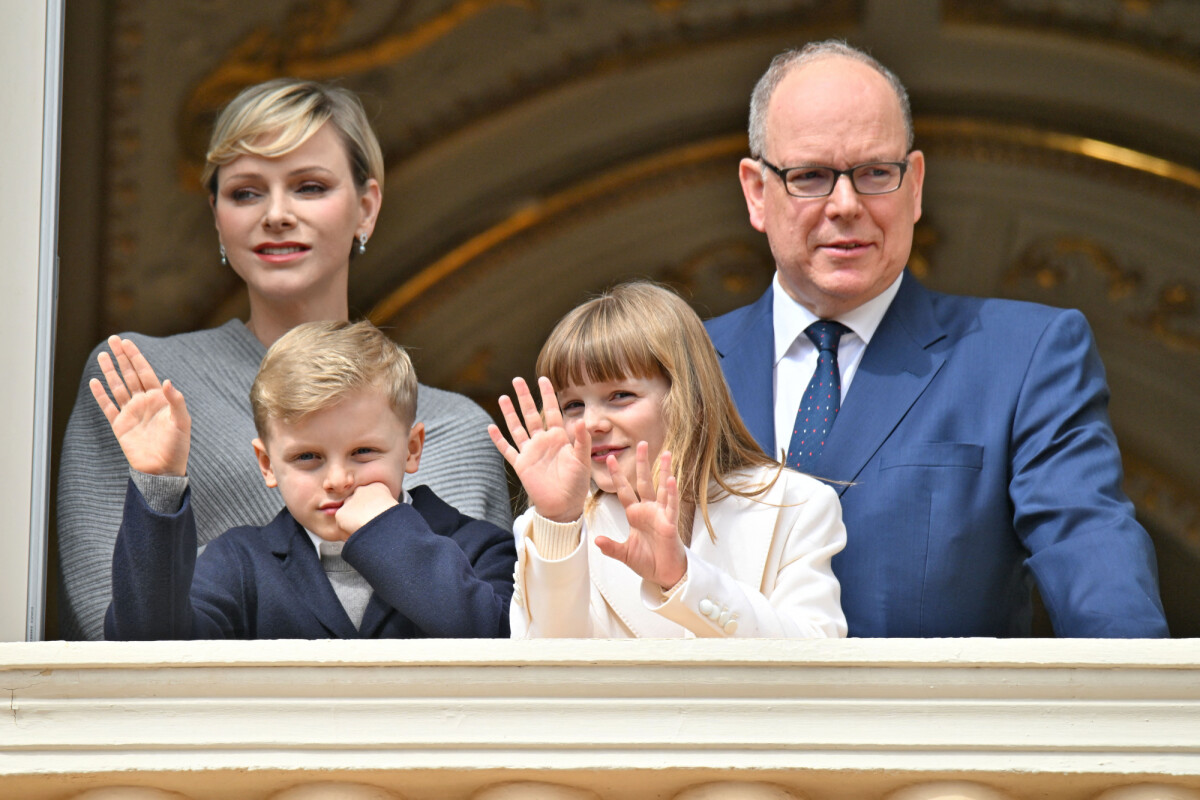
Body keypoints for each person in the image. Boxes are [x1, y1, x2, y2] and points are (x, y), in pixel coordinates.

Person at [705, 40, 1168, 637]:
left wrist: (1141, 705)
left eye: (875, 173)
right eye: (811, 176)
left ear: (915, 184)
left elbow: (1091, 555)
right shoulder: (673, 366)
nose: (845, 205)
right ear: (755, 191)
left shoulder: (1023, 356)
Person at [58, 78, 513, 641]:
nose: (275, 214)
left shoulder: (462, 432)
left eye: (309, 187)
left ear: (366, 207)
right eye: (246, 192)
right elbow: (122, 645)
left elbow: (497, 648)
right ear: (217, 214)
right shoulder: (141, 382)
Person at [100, 320, 515, 640]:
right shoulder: (240, 563)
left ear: (411, 449)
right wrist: (159, 482)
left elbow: (504, 644)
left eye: (363, 452)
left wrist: (387, 531)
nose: (337, 479)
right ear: (266, 463)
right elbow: (149, 647)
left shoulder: (481, 548)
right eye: (307, 457)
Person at [489, 281, 846, 638]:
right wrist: (561, 524)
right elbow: (549, 677)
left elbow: (815, 663)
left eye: (619, 396)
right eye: (573, 406)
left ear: (686, 393)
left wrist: (683, 579)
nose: (591, 424)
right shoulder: (549, 528)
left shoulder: (797, 505)